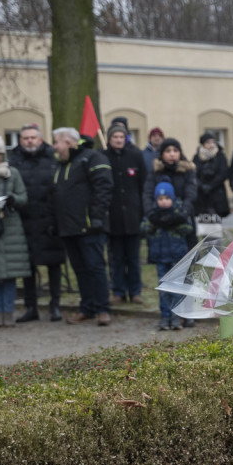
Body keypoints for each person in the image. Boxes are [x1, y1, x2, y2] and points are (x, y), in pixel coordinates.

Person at [50, 127, 113, 326]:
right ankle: (87, 308)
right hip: (68, 228)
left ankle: (103, 309)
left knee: (95, 268)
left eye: (56, 142)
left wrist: (95, 218)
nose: (54, 147)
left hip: (89, 227)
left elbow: (103, 188)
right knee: (80, 270)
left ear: (68, 142)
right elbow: (55, 196)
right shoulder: (60, 165)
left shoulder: (91, 158)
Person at [9, 123, 65, 322]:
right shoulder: (13, 161)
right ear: (20, 140)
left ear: (40, 139)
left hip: (49, 220)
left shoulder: (53, 159)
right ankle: (31, 307)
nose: (30, 141)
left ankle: (55, 305)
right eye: (26, 138)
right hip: (24, 221)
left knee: (54, 265)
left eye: (33, 137)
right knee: (28, 267)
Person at [103, 121, 147, 306]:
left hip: (133, 216)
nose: (119, 140)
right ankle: (118, 291)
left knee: (133, 258)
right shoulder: (103, 157)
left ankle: (135, 291)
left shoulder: (135, 155)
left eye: (122, 137)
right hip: (113, 218)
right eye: (115, 137)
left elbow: (143, 184)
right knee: (116, 258)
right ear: (109, 139)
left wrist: (142, 212)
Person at [141, 181, 193, 330]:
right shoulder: (153, 214)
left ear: (173, 199)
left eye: (167, 198)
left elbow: (188, 228)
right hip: (160, 257)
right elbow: (144, 228)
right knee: (163, 289)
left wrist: (174, 222)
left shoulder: (179, 211)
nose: (164, 202)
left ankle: (177, 317)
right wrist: (155, 222)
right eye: (160, 199)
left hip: (177, 256)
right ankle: (165, 316)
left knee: (177, 288)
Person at [0, 134, 29, 328]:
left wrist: (12, 199)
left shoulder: (12, 173)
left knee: (8, 275)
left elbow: (23, 197)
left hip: (9, 227)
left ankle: (7, 312)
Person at [192, 132, 230, 217]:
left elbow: (223, 173)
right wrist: (201, 185)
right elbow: (193, 173)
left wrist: (211, 185)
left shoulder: (220, 155)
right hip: (201, 194)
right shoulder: (197, 157)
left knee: (217, 221)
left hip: (217, 193)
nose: (211, 145)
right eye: (208, 143)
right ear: (203, 144)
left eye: (213, 142)